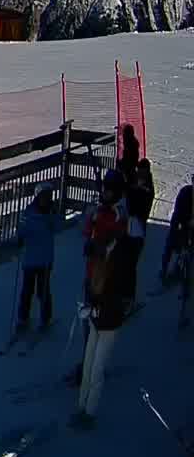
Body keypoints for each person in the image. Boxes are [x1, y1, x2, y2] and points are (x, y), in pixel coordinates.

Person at [75, 177, 137, 428]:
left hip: (108, 320)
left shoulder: (119, 259)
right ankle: (81, 407)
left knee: (98, 367)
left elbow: (117, 293)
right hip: (96, 309)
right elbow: (87, 235)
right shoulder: (98, 261)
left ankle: (89, 412)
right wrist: (88, 306)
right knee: (89, 362)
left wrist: (98, 307)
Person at [17, 188, 59, 331]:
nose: (45, 201)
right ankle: (23, 318)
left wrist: (53, 216)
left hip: (44, 260)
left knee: (43, 290)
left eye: (47, 199)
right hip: (30, 258)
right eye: (43, 198)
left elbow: (57, 226)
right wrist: (20, 237)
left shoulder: (50, 214)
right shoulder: (28, 213)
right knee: (27, 290)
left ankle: (45, 318)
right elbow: (22, 228)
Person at [168, 172, 194, 285]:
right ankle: (171, 270)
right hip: (184, 225)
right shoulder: (186, 192)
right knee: (175, 245)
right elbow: (178, 211)